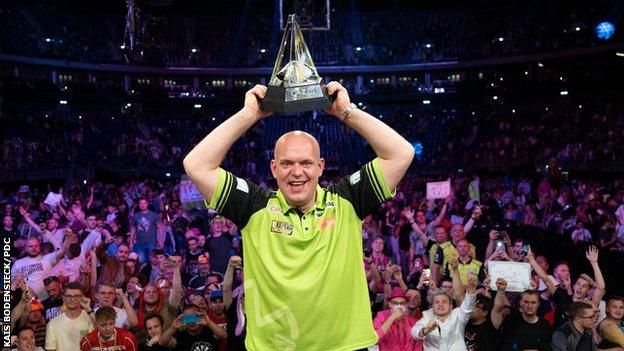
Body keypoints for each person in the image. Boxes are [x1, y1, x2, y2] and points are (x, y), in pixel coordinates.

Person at [183, 81, 414, 350]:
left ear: (320, 167)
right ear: (273, 168)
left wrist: (346, 111)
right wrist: (249, 115)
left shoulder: (346, 201)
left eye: (305, 163)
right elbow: (196, 164)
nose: (297, 172)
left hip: (346, 347)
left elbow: (401, 153)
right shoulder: (253, 207)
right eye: (287, 163)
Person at [411, 271, 478, 350]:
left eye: (444, 302)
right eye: (436, 302)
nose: (440, 304)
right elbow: (414, 334)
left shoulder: (458, 315)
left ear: (451, 306)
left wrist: (472, 287)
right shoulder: (426, 317)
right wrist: (426, 330)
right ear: (432, 306)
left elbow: (468, 306)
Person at [11, 235, 71, 300]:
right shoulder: (18, 263)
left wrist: (68, 237)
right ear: (25, 249)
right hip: (25, 300)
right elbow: (12, 284)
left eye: (36, 246)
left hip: (45, 299)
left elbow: (63, 250)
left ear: (40, 247)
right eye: (30, 246)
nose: (34, 248)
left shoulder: (47, 259)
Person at [44, 282, 94, 351]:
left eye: (76, 296)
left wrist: (89, 309)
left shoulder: (91, 317)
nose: (72, 299)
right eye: (69, 296)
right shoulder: (52, 324)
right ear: (63, 298)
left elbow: (101, 336)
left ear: (82, 297)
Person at [464, 278, 507, 351]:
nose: (471, 308)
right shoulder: (464, 322)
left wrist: (501, 290)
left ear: (485, 312)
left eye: (476, 306)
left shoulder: (490, 326)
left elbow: (498, 308)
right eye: (471, 305)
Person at [159, 304, 227, 350]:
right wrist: (173, 328)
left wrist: (209, 322)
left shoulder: (210, 331)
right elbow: (162, 342)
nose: (191, 322)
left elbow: (224, 336)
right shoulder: (180, 337)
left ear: (199, 316)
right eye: (188, 318)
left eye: (193, 317)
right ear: (183, 319)